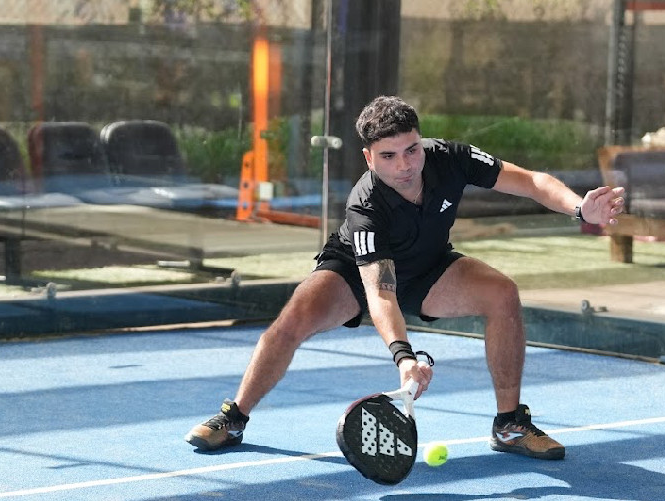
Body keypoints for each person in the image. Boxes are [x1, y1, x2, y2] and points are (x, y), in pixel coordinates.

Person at [186, 95, 625, 460]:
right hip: (356, 272)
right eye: (388, 156)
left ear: (421, 140)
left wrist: (579, 208)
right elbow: (380, 293)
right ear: (368, 157)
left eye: (411, 150)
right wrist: (403, 358)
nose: (404, 165)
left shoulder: (450, 158)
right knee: (293, 320)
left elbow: (530, 182)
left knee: (502, 294)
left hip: (429, 267)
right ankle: (234, 417)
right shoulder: (365, 206)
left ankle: (509, 425)